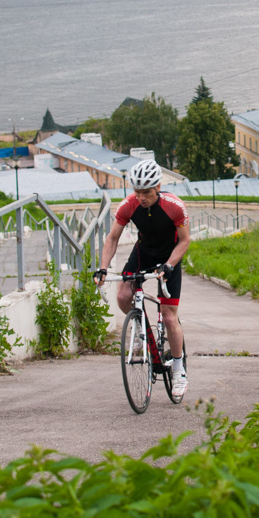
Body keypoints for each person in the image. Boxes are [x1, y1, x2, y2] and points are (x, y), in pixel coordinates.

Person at [97, 159, 190, 400]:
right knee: (123, 295)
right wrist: (103, 268)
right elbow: (112, 238)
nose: (141, 198)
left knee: (169, 317)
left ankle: (178, 369)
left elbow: (185, 240)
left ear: (157, 187)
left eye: (146, 192)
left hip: (169, 257)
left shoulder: (174, 206)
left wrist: (169, 265)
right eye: (137, 191)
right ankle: (140, 329)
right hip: (144, 253)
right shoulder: (129, 205)